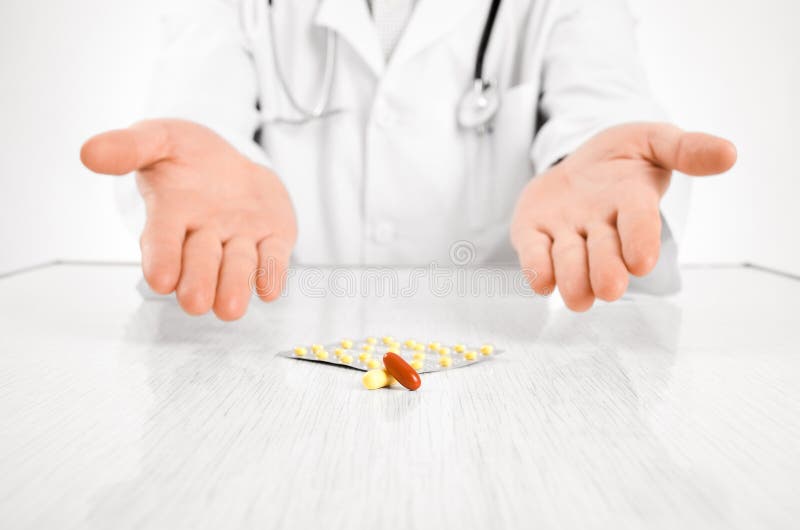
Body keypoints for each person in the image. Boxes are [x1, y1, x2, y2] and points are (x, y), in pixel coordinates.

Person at [80, 0, 737, 320]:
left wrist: (604, 164)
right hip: (277, 358)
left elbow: (602, 107)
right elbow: (196, 111)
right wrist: (195, 157)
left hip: (499, 376)